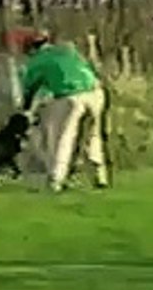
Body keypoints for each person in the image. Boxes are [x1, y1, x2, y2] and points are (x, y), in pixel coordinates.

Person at [20, 30, 109, 193]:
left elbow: (29, 88)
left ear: (31, 48)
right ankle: (99, 176)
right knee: (93, 136)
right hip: (96, 93)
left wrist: (25, 109)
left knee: (63, 138)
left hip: (70, 96)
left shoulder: (37, 61)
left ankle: (56, 181)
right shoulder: (67, 51)